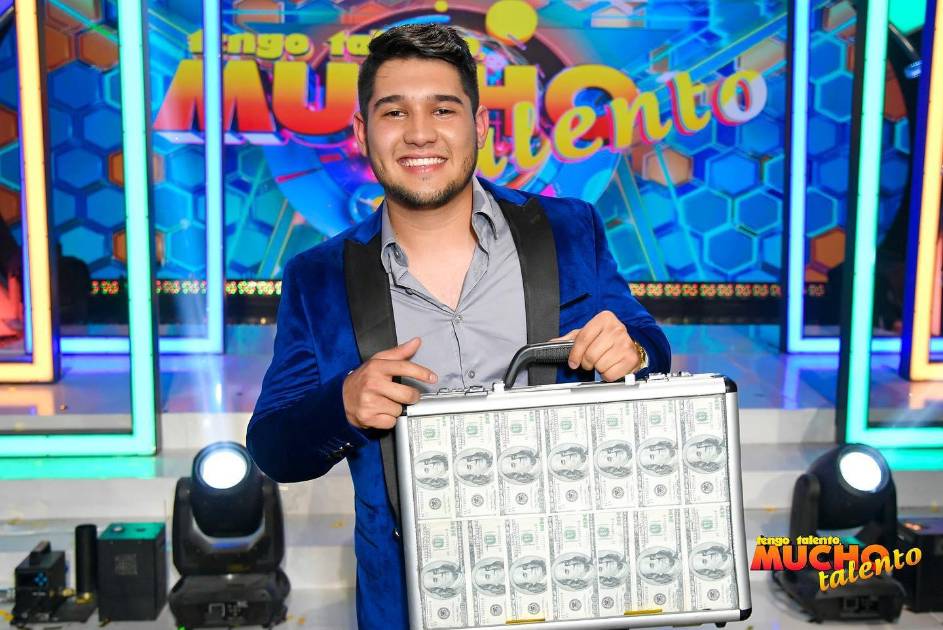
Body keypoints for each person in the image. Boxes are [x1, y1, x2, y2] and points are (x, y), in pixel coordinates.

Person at [246, 23, 671, 629]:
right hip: (413, 599)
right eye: (395, 112)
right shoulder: (319, 276)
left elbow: (647, 343)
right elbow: (272, 448)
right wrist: (342, 404)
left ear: (479, 124)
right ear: (363, 132)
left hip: (572, 578)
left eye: (443, 109)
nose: (420, 133)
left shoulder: (568, 229)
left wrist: (634, 351)